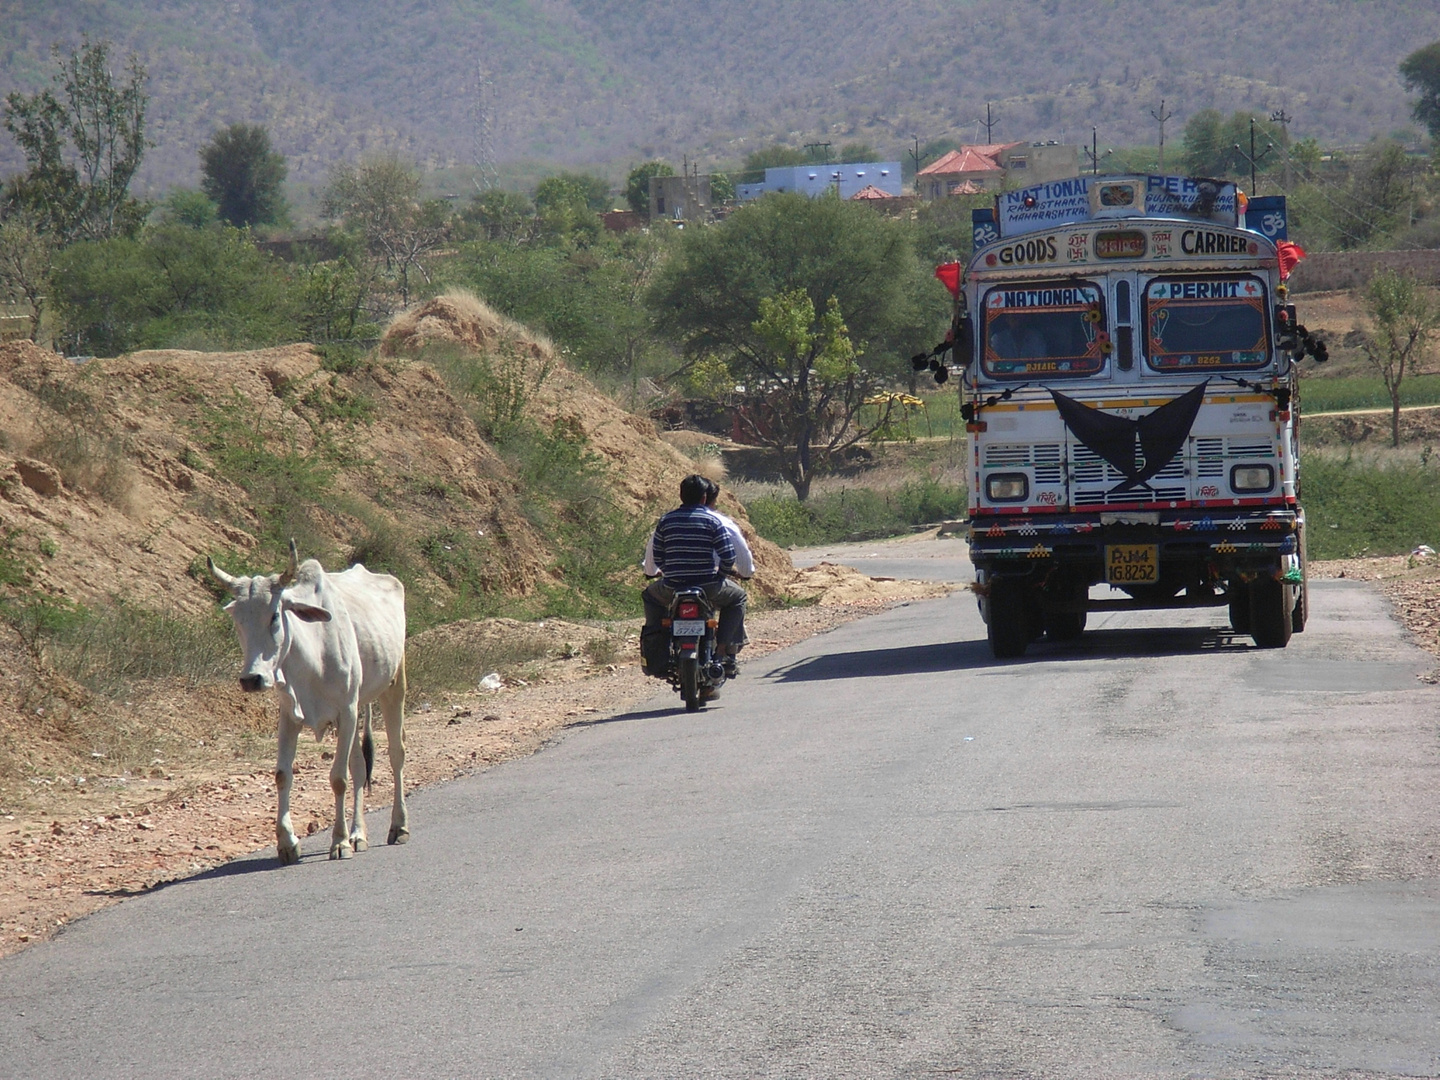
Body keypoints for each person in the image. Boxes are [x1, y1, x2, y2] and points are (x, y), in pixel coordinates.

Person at [641, 474, 749, 679]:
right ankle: (723, 653)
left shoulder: (666, 521)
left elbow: (658, 555)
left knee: (650, 596)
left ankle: (657, 646)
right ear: (704, 498)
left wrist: (669, 572)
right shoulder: (713, 521)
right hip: (708, 586)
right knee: (738, 598)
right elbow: (728, 555)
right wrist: (721, 576)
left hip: (672, 587)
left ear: (681, 496)